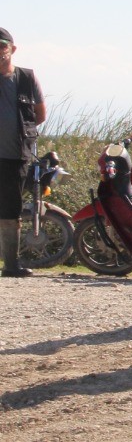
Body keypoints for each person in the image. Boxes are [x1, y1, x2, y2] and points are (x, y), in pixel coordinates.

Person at [0, 27, 46, 278]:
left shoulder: (26, 78)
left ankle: (10, 265)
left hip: (14, 156)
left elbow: (39, 115)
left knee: (10, 209)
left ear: (11, 49)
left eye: (1, 45)